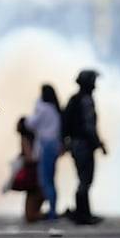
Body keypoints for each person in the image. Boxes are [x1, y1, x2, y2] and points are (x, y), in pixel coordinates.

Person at [62, 70, 106, 225]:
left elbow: (66, 124)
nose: (95, 85)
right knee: (85, 179)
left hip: (76, 144)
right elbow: (89, 127)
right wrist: (97, 143)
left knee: (83, 179)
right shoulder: (85, 100)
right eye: (93, 81)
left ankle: (82, 213)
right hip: (83, 145)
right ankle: (83, 214)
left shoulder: (75, 99)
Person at [25, 84, 62, 221]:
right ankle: (53, 209)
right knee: (51, 179)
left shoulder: (43, 108)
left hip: (46, 145)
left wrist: (36, 106)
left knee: (45, 180)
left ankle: (51, 212)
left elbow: (31, 124)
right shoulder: (55, 109)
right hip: (54, 145)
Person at [12, 116, 44, 223]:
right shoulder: (34, 137)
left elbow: (29, 156)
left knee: (33, 195)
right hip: (34, 170)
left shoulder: (25, 138)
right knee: (35, 194)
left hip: (31, 171)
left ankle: (36, 214)